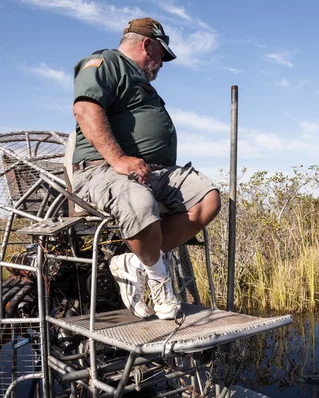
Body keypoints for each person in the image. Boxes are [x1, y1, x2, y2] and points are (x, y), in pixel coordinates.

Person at [71, 17, 221, 320]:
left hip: (154, 171)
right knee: (139, 201)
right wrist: (118, 160)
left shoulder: (141, 82)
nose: (162, 64)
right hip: (104, 170)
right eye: (162, 55)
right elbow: (85, 109)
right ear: (147, 44)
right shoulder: (106, 62)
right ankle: (158, 277)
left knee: (208, 198)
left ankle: (137, 263)